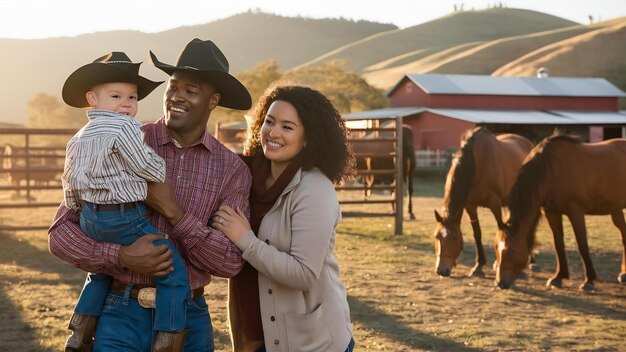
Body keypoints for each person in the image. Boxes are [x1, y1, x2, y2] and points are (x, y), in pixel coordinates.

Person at [49, 38, 252, 351]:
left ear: (213, 100)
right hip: (119, 311)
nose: (176, 97)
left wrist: (174, 212)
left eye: (191, 90)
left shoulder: (231, 170)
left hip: (189, 318)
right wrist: (120, 256)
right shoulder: (120, 138)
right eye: (173, 86)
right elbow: (60, 234)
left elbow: (229, 263)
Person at [59, 51, 196, 352]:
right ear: (92, 100)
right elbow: (144, 163)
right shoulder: (125, 128)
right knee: (171, 270)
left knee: (100, 273)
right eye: (117, 96)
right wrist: (160, 172)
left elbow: (69, 180)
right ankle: (168, 339)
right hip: (122, 216)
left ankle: (80, 332)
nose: (126, 104)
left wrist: (79, 210)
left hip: (89, 217)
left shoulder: (79, 137)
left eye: (132, 98)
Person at [212, 85, 356, 352]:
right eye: (269, 121)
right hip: (253, 335)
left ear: (309, 138)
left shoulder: (314, 189)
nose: (273, 133)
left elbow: (304, 274)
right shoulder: (244, 176)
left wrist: (245, 239)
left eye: (288, 127)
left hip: (310, 343)